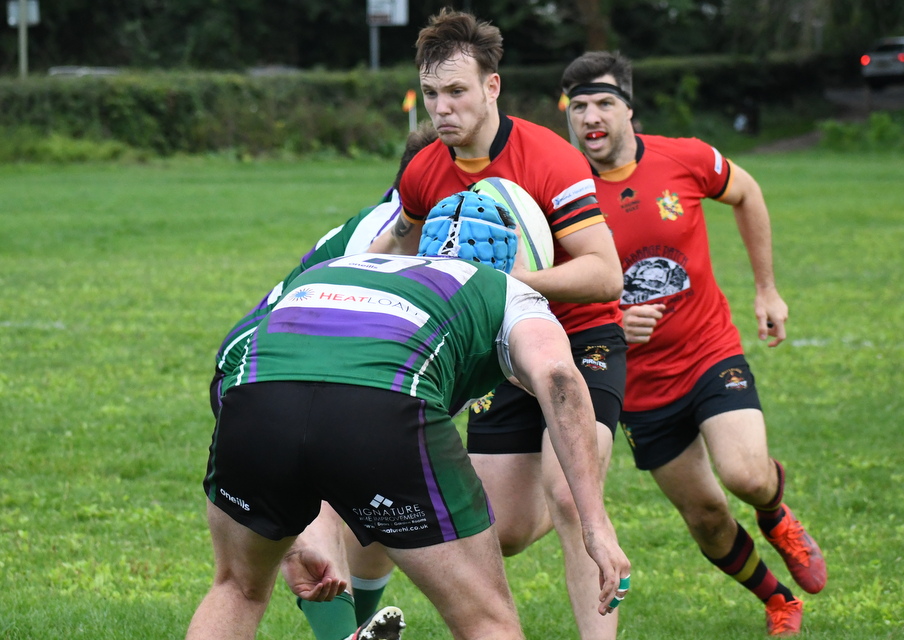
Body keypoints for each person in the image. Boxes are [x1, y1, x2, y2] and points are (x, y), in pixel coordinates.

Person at [188, 191, 631, 640]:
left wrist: (287, 523)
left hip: (254, 404)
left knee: (237, 589)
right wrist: (594, 525)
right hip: (383, 411)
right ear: (516, 259)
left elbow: (245, 360)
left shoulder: (341, 265)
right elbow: (558, 378)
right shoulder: (507, 288)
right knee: (485, 619)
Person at [367, 10, 627, 638]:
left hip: (580, 339)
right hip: (500, 350)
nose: (441, 108)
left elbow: (605, 274)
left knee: (571, 496)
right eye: (431, 93)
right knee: (502, 530)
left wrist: (509, 281)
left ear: (492, 87)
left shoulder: (550, 159)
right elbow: (396, 249)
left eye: (456, 91)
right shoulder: (424, 169)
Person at [560, 51, 827, 636]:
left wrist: (767, 289)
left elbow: (748, 193)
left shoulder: (685, 157)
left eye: (603, 102)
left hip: (709, 352)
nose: (590, 116)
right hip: (638, 385)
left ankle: (775, 515)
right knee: (705, 517)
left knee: (746, 475)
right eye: (578, 106)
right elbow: (555, 287)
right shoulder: (562, 192)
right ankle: (779, 600)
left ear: (630, 109)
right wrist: (613, 320)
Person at [209, 125, 437, 639]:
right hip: (270, 375)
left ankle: (351, 630)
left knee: (383, 507)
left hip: (327, 378)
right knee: (320, 507)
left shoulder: (438, 229)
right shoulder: (381, 234)